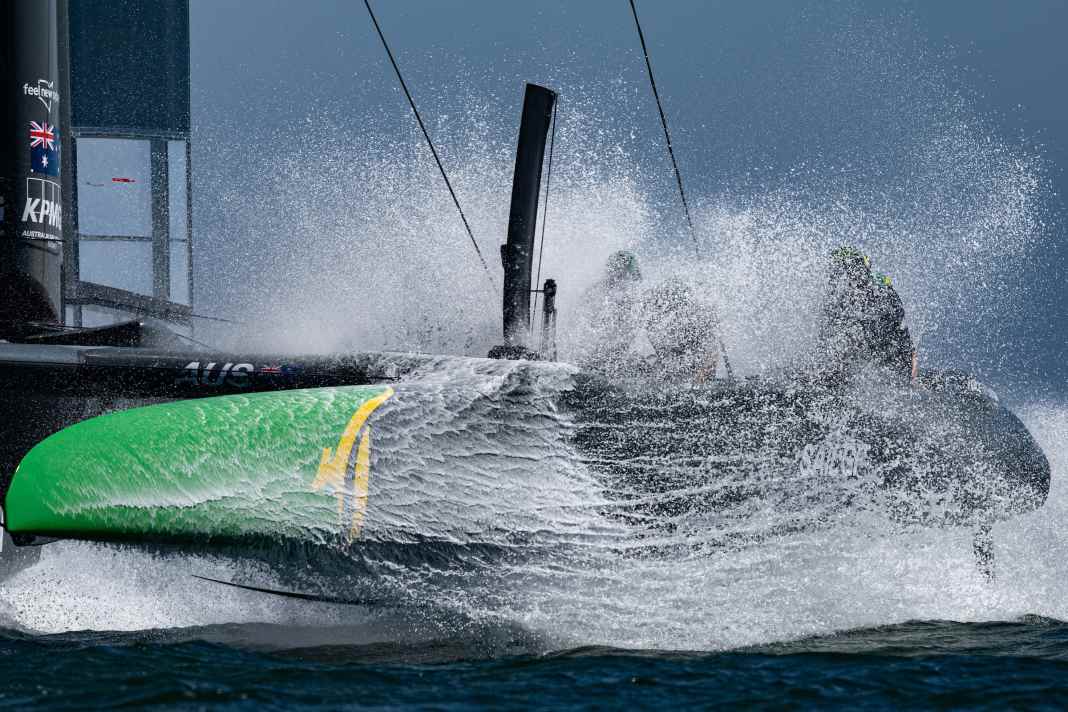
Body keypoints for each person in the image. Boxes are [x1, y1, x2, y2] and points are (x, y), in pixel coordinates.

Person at [815, 246, 915, 383]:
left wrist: (912, 380)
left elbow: (906, 343)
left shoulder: (882, 291)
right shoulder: (840, 297)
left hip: (889, 351)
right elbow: (825, 333)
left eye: (853, 271)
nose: (851, 279)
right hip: (871, 353)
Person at [572, 250, 644, 371]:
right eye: (622, 276)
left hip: (609, 354)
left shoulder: (632, 297)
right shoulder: (596, 294)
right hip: (598, 355)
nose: (626, 281)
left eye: (629, 277)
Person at [642, 277, 721, 384]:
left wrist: (702, 375)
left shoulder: (698, 319)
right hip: (672, 369)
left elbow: (712, 353)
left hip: (695, 370)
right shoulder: (659, 323)